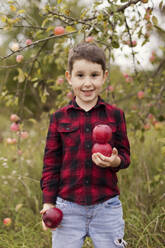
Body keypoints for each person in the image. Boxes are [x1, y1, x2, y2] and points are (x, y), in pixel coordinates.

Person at [40, 42, 130, 248]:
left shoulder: (115, 115)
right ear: (69, 77)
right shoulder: (59, 118)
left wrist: (115, 160)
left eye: (94, 75)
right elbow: (51, 164)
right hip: (68, 206)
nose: (87, 83)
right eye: (80, 75)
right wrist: (48, 203)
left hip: (106, 206)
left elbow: (125, 156)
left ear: (104, 76)